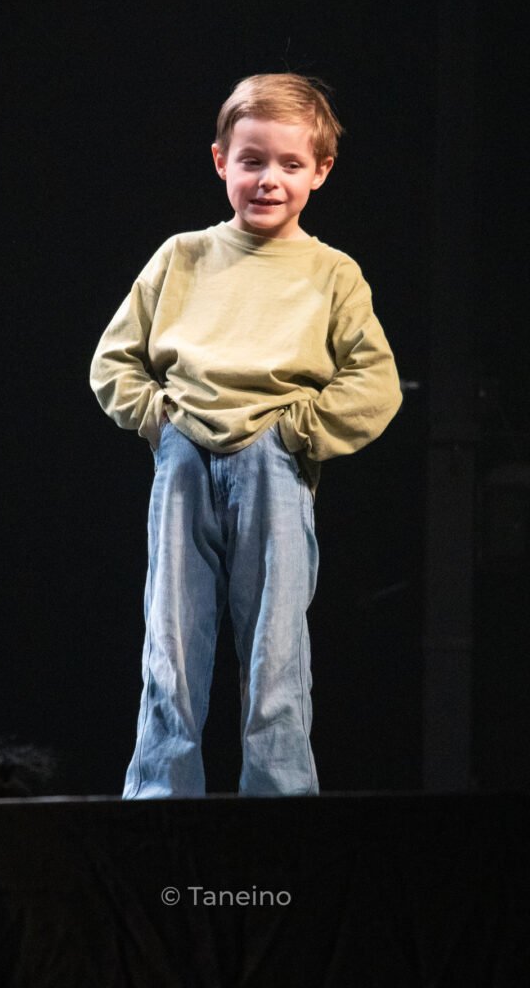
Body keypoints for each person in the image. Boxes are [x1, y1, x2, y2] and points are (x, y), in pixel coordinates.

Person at [90, 73, 402, 798]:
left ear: (321, 171)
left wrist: (299, 432)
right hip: (184, 456)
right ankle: (160, 800)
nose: (269, 179)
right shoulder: (182, 256)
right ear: (220, 160)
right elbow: (113, 360)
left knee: (276, 650)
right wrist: (158, 419)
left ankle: (280, 805)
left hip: (274, 460)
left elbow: (375, 383)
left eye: (290, 164)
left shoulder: (332, 273)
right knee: (170, 642)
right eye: (252, 160)